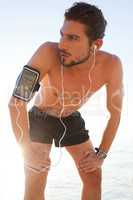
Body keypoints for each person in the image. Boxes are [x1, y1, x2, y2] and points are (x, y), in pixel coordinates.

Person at [8, 2, 123, 200]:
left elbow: (115, 113)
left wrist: (101, 155)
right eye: (62, 34)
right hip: (39, 118)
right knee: (36, 175)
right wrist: (26, 149)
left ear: (96, 44)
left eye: (73, 38)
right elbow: (16, 102)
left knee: (93, 175)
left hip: (70, 119)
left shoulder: (111, 65)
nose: (62, 44)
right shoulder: (46, 52)